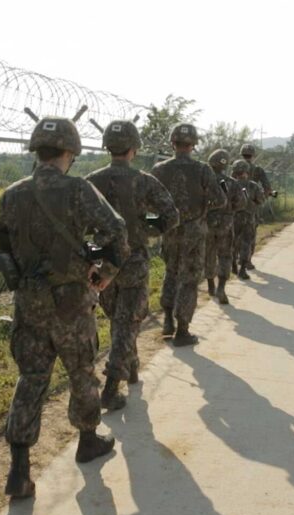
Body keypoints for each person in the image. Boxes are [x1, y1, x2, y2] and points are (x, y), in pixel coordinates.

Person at [0, 117, 130, 499]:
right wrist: (103, 273)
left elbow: (2, 253)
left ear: (36, 151)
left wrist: (24, 285)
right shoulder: (78, 190)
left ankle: (19, 470)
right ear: (70, 152)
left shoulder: (10, 195)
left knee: (31, 380)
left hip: (29, 307)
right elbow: (117, 232)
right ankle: (88, 440)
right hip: (72, 305)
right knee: (82, 374)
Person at [86, 120, 179, 410]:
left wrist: (99, 237)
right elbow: (170, 215)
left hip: (104, 260)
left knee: (119, 319)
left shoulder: (91, 181)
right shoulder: (144, 180)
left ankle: (132, 365)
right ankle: (112, 386)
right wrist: (145, 225)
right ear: (134, 148)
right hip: (134, 258)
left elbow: (82, 223)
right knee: (128, 322)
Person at [150, 123, 225, 346]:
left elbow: (149, 203)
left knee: (171, 272)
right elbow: (220, 200)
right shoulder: (203, 170)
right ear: (193, 145)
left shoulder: (159, 169)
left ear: (173, 143)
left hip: (170, 229)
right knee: (190, 279)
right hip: (194, 230)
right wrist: (202, 210)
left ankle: (167, 321)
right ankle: (182, 329)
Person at [203, 149, 246, 305]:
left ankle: (210, 286)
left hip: (207, 222)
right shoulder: (231, 183)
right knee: (225, 255)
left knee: (209, 253)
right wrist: (230, 210)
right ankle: (221, 287)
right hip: (226, 223)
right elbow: (241, 203)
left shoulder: (203, 181)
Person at [239, 143, 274, 270]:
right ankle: (247, 260)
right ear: (253, 155)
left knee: (235, 233)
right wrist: (261, 199)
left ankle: (235, 259)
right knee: (250, 235)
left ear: (241, 154)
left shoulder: (234, 167)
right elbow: (267, 187)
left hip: (235, 206)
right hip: (251, 207)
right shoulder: (258, 170)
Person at [231, 159, 265, 281]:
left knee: (233, 241)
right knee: (246, 243)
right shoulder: (253, 185)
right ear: (247, 171)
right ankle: (242, 269)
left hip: (234, 217)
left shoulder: (230, 184)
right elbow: (260, 200)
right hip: (249, 218)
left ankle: (233, 265)